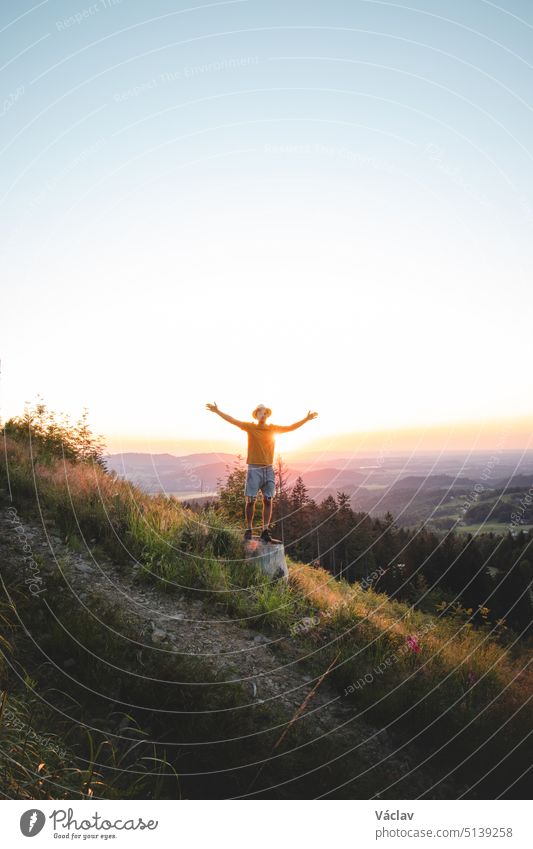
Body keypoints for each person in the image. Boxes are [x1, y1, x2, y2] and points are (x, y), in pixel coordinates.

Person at [205, 402, 318, 542]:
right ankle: (249, 528)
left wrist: (306, 419)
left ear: (267, 415)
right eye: (260, 412)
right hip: (254, 468)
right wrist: (217, 411)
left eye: (265, 413)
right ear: (256, 415)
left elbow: (291, 427)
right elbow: (232, 420)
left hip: (268, 469)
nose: (263, 414)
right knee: (251, 500)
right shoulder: (250, 427)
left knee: (268, 500)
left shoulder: (273, 428)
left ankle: (265, 531)